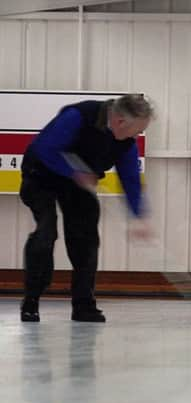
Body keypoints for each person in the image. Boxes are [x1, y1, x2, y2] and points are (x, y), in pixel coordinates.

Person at [19, 94, 154, 323]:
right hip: (41, 177)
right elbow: (45, 148)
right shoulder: (79, 116)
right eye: (138, 129)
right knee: (46, 232)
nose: (138, 135)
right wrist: (75, 172)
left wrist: (139, 216)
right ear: (120, 121)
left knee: (86, 240)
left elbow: (130, 179)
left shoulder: (125, 142)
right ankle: (31, 300)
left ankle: (83, 306)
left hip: (78, 184)